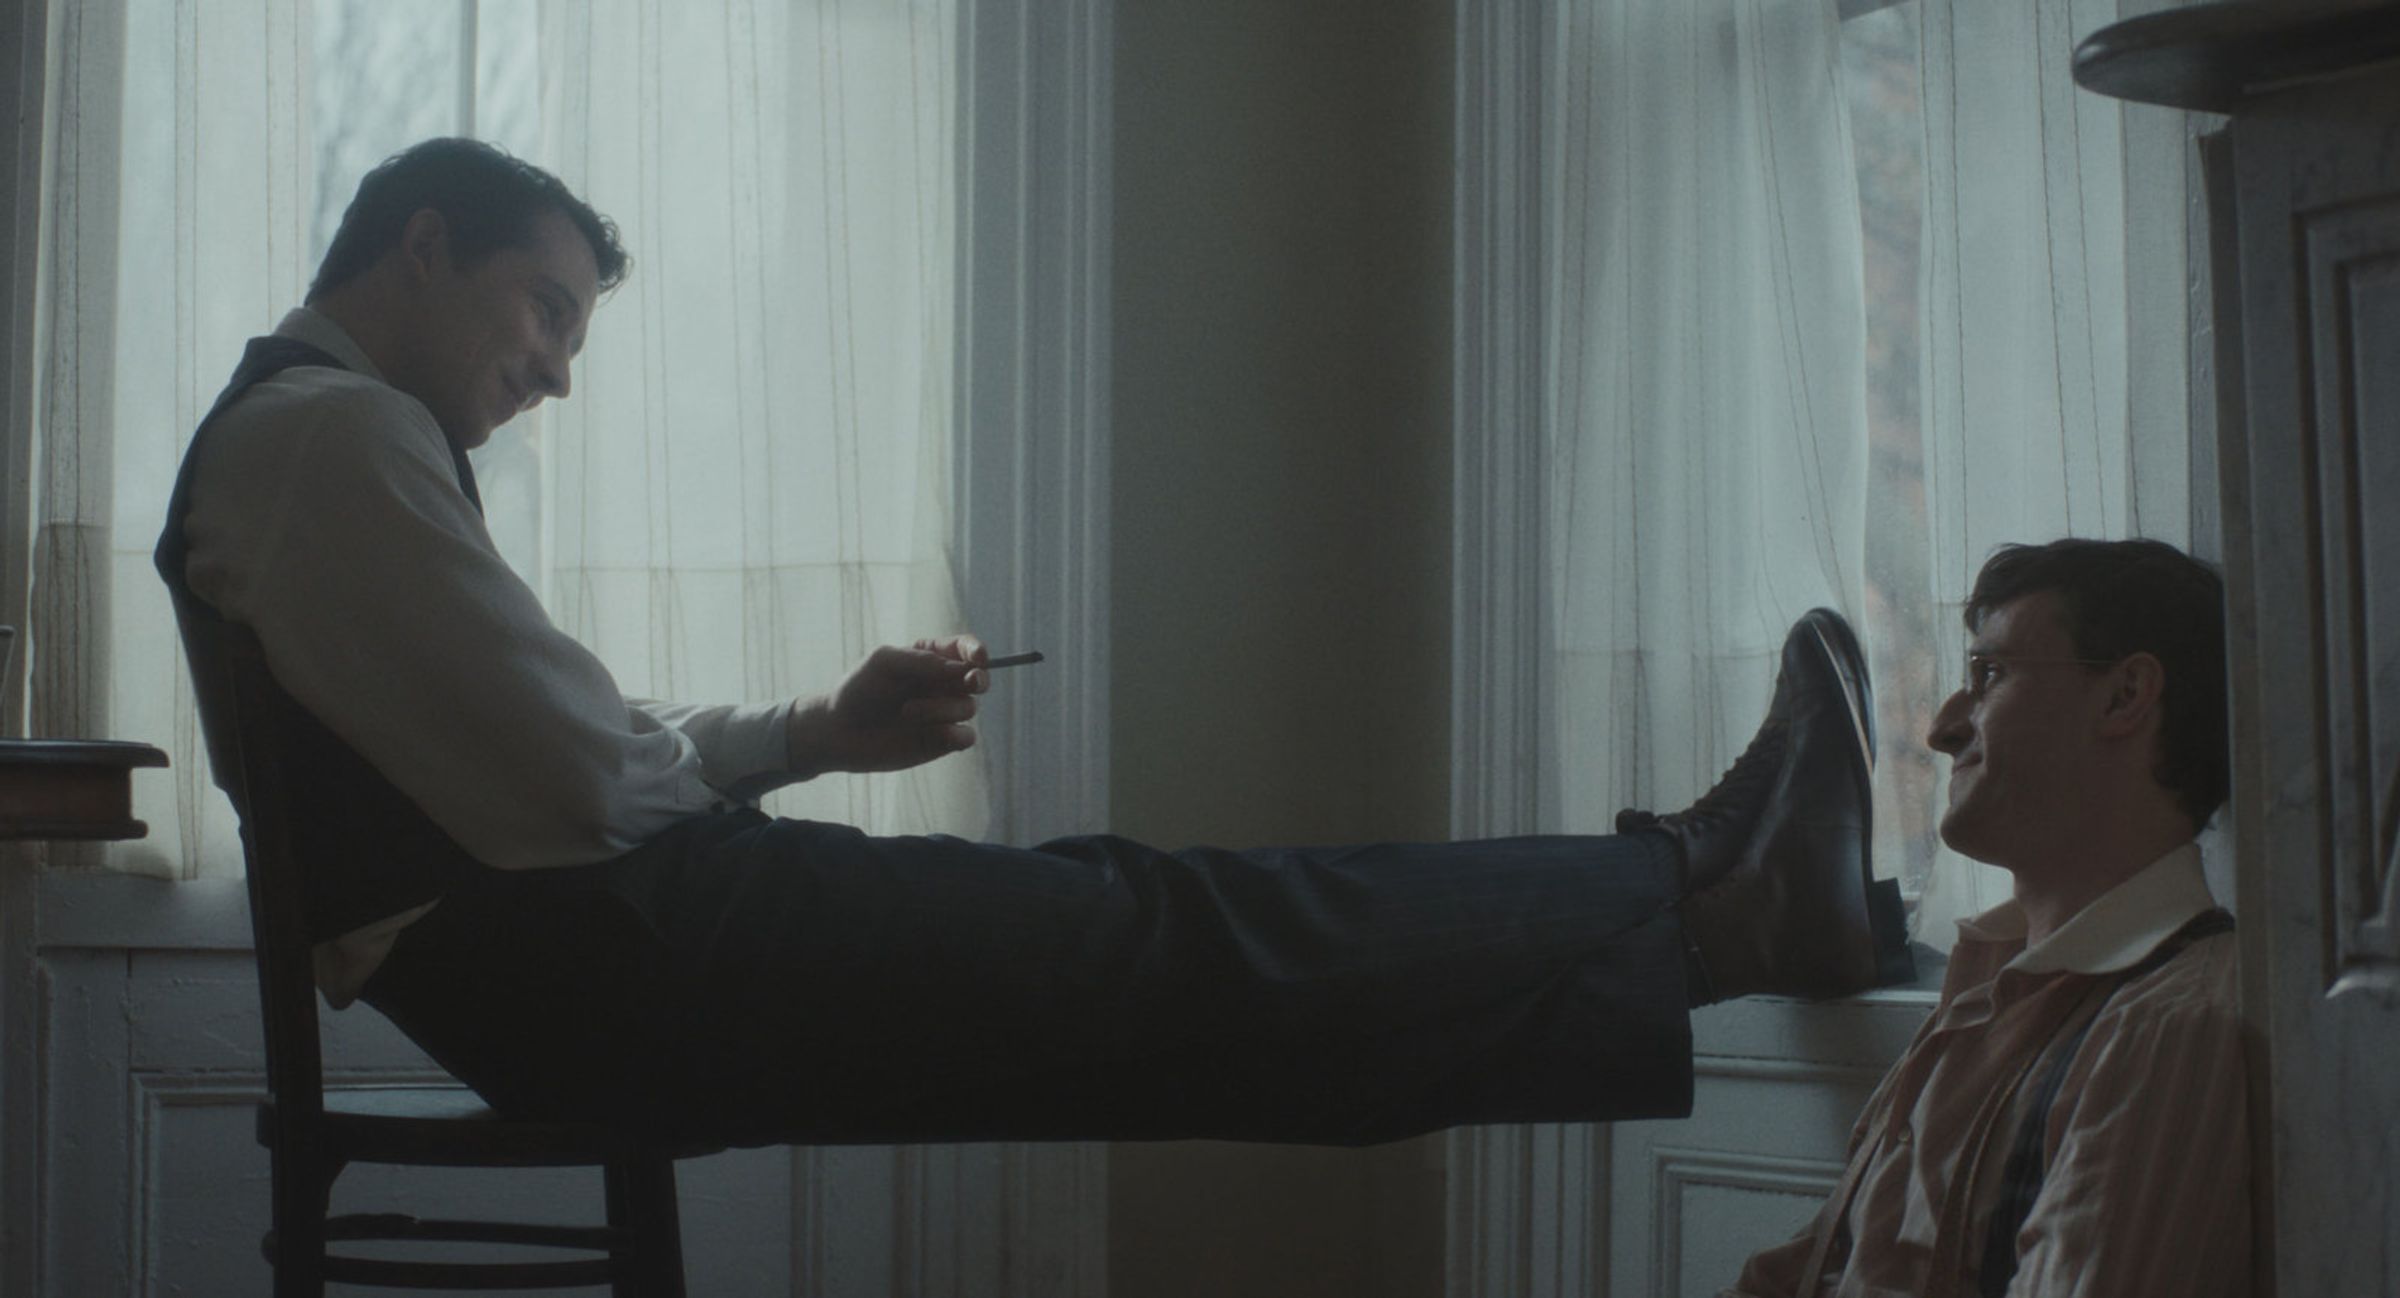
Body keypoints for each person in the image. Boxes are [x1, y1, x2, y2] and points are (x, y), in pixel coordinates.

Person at [157, 137, 1909, 1149]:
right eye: (546, 310)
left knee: (1183, 1002)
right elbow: (577, 769)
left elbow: (556, 740)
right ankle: (1697, 885)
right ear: (423, 244)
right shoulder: (335, 436)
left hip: (576, 978)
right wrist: (783, 750)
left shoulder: (316, 443)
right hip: (610, 965)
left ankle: (1730, 920)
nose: (554, 369)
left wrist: (814, 729)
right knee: (1172, 933)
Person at [1724, 538, 2250, 1298]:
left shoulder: (2170, 1025)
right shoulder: (1986, 986)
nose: (1941, 728)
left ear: (2125, 697)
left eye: (1990, 675)